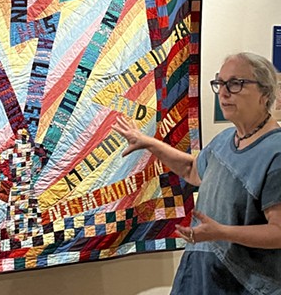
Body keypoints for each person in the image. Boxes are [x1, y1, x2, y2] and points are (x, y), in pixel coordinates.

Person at [112, 52, 281, 295]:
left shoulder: (275, 153)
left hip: (242, 284)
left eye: (235, 83)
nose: (223, 93)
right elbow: (193, 170)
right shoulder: (225, 139)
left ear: (265, 92)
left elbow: (278, 232)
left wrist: (221, 232)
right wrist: (148, 143)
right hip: (201, 275)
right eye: (220, 83)